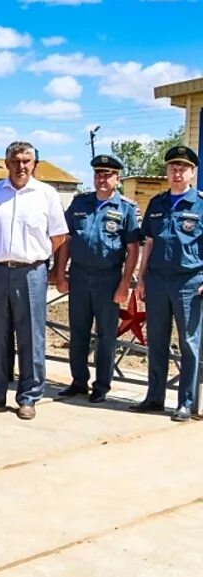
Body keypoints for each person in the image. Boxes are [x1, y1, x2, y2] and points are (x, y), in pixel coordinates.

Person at [0, 141, 68, 420]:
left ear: (35, 164)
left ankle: (29, 396)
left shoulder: (46, 194)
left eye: (26, 161)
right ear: (6, 163)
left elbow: (58, 236)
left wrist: (37, 257)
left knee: (31, 335)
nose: (21, 166)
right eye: (15, 160)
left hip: (31, 272)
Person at [54, 155, 139, 403]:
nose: (102, 179)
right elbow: (66, 240)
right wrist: (60, 272)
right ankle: (78, 381)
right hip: (79, 276)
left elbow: (133, 248)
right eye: (98, 174)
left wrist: (124, 284)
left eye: (107, 175)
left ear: (117, 178)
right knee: (78, 332)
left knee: (106, 335)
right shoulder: (80, 203)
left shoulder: (126, 208)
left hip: (108, 278)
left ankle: (102, 385)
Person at [133, 145, 203, 422]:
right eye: (173, 168)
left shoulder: (200, 203)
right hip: (158, 282)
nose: (177, 173)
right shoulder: (157, 203)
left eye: (183, 169)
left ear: (192, 173)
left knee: (188, 343)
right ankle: (154, 397)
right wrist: (141, 278)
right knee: (157, 342)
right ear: (167, 171)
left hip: (189, 282)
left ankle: (185, 402)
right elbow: (148, 242)